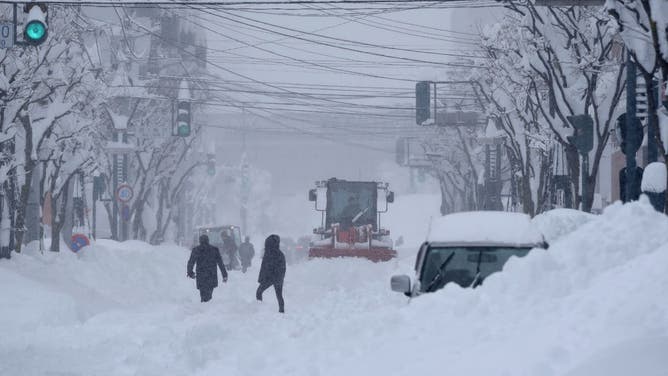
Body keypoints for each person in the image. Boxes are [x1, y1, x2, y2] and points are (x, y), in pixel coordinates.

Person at [187, 234, 228, 303]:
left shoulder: (196, 250)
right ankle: (207, 306)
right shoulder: (214, 250)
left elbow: (191, 262)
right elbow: (220, 263)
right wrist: (224, 275)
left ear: (200, 241)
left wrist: (190, 272)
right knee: (209, 292)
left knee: (202, 293)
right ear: (208, 240)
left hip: (201, 275)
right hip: (211, 275)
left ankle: (204, 304)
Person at [256, 234, 286, 313]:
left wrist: (274, 277)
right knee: (279, 295)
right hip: (273, 278)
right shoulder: (274, 253)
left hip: (271, 278)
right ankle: (281, 311)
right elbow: (264, 267)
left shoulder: (275, 254)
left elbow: (281, 269)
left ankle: (260, 310)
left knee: (259, 292)